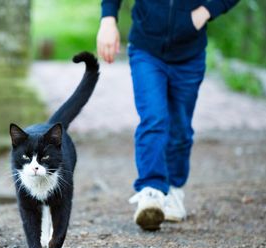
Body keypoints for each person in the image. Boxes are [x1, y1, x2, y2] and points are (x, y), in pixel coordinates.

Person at [97, 0, 240, 231]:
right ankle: (151, 191)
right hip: (146, 49)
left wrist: (205, 13)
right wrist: (108, 20)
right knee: (153, 119)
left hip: (189, 55)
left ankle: (173, 190)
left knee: (180, 129)